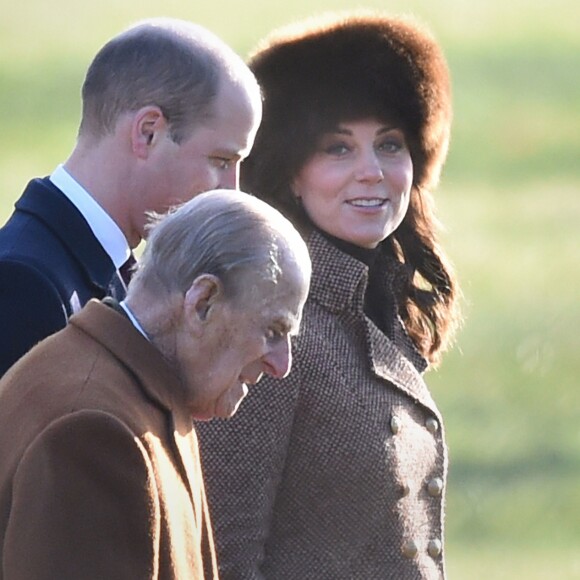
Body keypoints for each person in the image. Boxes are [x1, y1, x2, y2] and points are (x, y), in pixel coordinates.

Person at [196, 11, 462, 579]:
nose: (371, 172)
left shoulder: (379, 305)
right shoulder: (268, 326)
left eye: (389, 145)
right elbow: (225, 552)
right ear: (291, 170)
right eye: (338, 149)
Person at [0, 189, 311, 580]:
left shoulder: (141, 388)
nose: (281, 365)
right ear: (203, 302)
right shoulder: (95, 434)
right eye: (273, 330)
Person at [0, 17, 262, 376]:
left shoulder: (114, 268)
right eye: (220, 160)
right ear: (148, 132)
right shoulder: (26, 283)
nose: (231, 190)